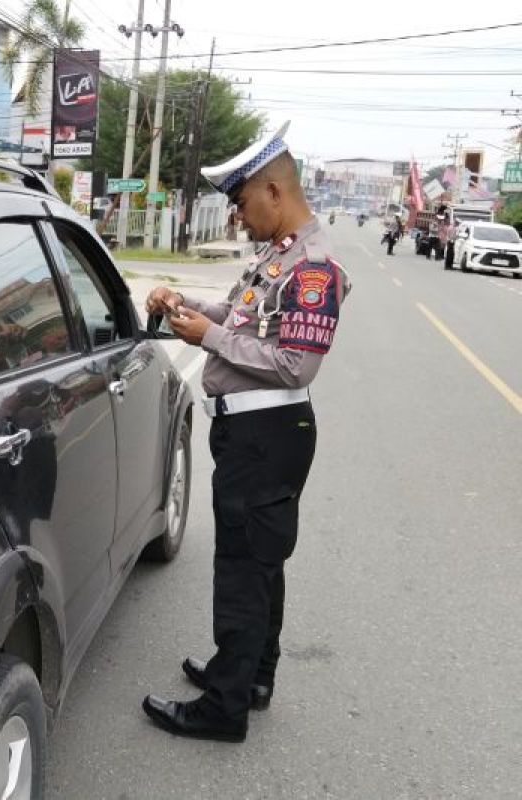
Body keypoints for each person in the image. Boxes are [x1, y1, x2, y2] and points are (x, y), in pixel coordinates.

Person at [140, 120, 352, 743]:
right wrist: (186, 306)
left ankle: (223, 708)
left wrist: (208, 337)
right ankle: (250, 675)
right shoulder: (277, 254)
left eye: (240, 201)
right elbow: (241, 320)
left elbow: (294, 363)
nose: (236, 214)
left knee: (242, 566)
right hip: (255, 434)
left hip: (268, 435)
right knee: (261, 563)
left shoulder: (313, 268)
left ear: (274, 192)